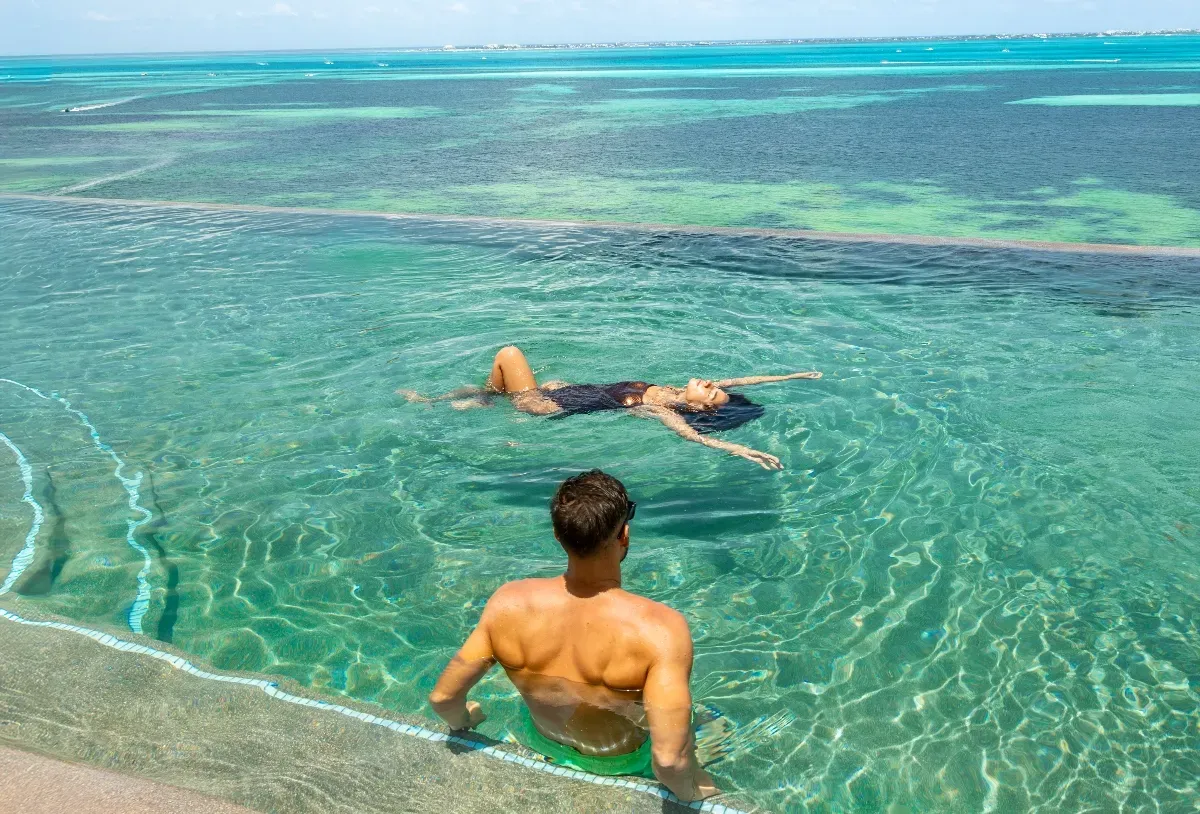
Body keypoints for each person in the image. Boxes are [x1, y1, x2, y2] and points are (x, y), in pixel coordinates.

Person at [428, 470, 719, 802]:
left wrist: (464, 720)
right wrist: (691, 792)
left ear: (557, 535)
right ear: (623, 535)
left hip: (542, 742)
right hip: (623, 761)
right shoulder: (660, 630)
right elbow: (669, 761)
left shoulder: (508, 604)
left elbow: (443, 698)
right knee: (709, 720)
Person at [400, 345, 821, 470]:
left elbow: (694, 438)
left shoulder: (666, 411)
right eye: (714, 386)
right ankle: (479, 400)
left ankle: (444, 402)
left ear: (699, 409)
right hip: (565, 391)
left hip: (545, 405)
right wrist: (791, 376)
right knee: (498, 382)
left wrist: (741, 450)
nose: (711, 385)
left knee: (510, 355)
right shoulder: (678, 390)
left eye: (710, 394)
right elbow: (740, 381)